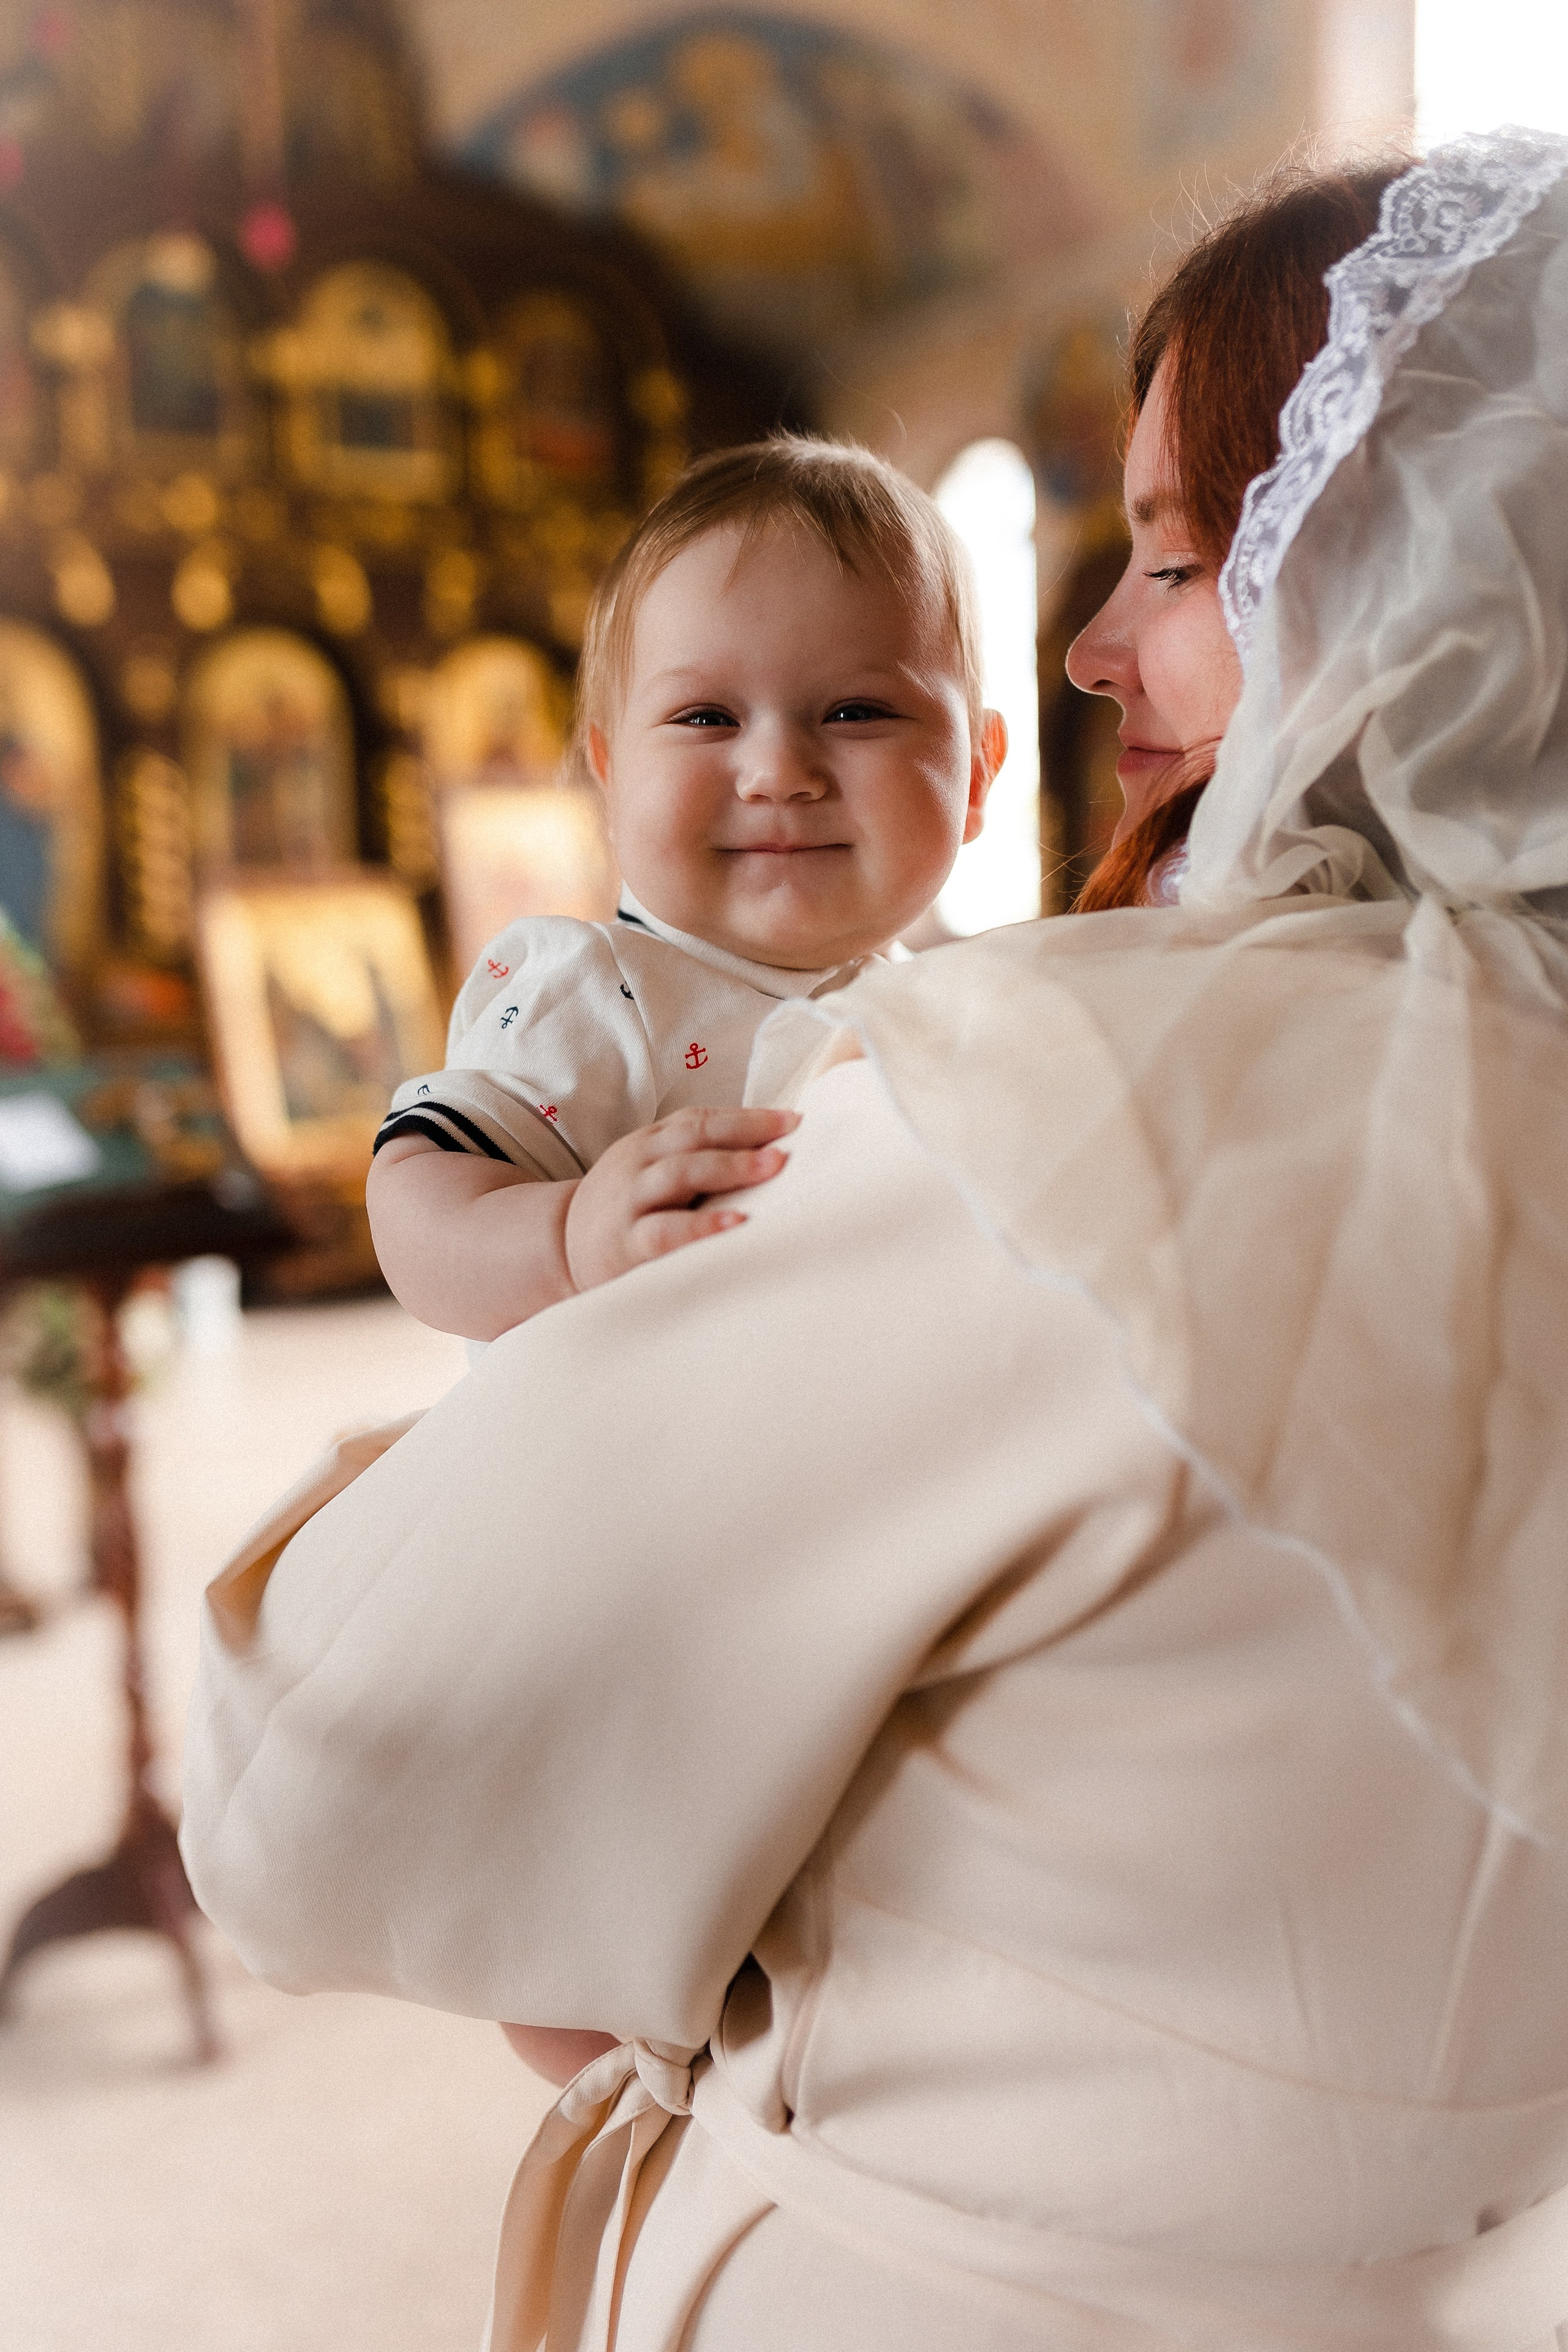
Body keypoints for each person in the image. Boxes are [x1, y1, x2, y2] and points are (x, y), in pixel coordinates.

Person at [183, 130, 1568, 2352]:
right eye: (706, 718)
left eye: (1187, 557)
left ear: (1428, 569)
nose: (1109, 644)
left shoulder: (1058, 1116)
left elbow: (327, 1770)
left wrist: (427, 1482)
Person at [366, 436, 1005, 1341]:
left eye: (855, 712)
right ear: (609, 774)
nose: (778, 772)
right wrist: (566, 1239)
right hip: (630, 1462)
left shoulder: (950, 1009)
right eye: (707, 717)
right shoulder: (598, 990)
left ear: (978, 774)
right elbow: (415, 1200)